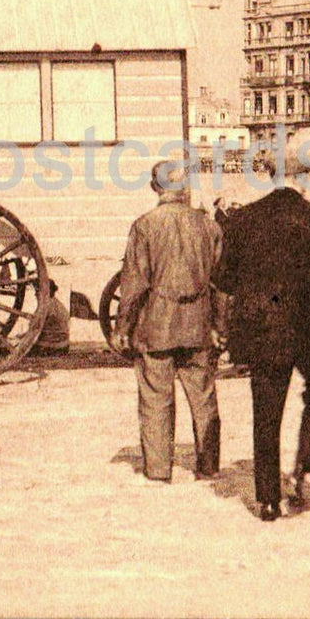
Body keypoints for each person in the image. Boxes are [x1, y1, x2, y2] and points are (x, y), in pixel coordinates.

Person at [212, 163, 310, 521]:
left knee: (265, 412)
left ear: (272, 177)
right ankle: (303, 465)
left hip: (263, 332)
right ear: (302, 178)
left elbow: (225, 280)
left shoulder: (243, 219)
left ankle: (267, 501)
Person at [111, 161, 222, 486]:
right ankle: (209, 467)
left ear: (154, 187)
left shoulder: (144, 226)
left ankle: (159, 470)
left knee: (156, 400)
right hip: (199, 324)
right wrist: (220, 326)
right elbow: (220, 284)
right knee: (204, 398)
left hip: (156, 325)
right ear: (184, 188)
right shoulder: (208, 226)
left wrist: (122, 327)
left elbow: (133, 283)